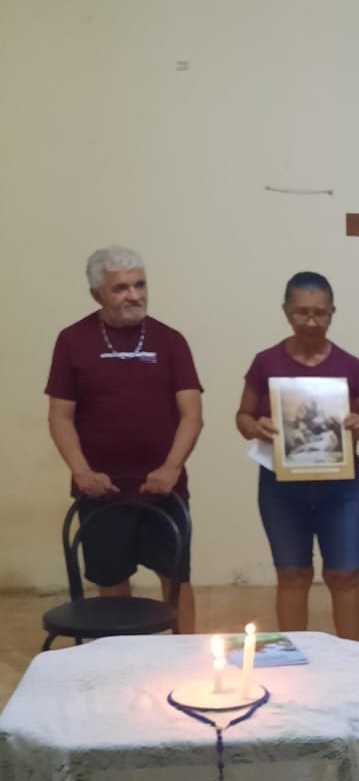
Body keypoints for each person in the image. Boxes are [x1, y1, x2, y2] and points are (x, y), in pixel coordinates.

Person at [45, 246, 203, 633]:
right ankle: (120, 658)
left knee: (176, 579)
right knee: (112, 583)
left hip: (164, 489)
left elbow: (192, 415)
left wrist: (171, 468)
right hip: (101, 491)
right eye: (120, 288)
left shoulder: (171, 341)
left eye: (139, 285)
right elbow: (60, 417)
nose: (134, 295)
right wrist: (81, 472)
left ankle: (185, 654)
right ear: (96, 294)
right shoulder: (72, 341)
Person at [236, 272, 359, 641]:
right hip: (281, 488)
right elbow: (242, 417)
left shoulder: (349, 365)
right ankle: (295, 658)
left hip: (342, 490)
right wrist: (256, 426)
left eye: (320, 313)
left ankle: (351, 658)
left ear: (332, 313)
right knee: (292, 575)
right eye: (302, 312)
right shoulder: (265, 362)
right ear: (286, 311)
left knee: (344, 576)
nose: (311, 322)